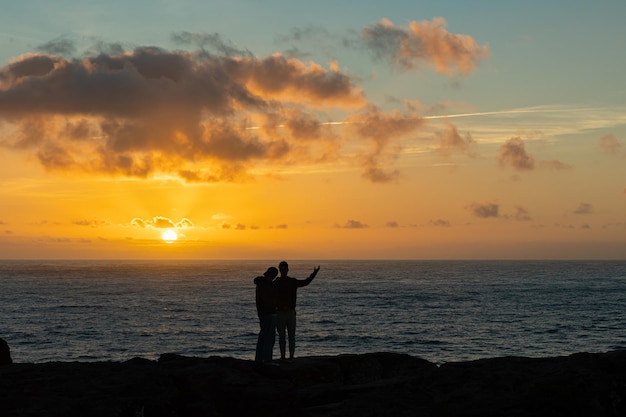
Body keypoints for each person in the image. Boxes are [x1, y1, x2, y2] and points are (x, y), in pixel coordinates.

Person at [275, 261, 320, 360]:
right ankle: (283, 356)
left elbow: (305, 282)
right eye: (282, 269)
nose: (283, 271)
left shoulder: (292, 281)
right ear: (279, 270)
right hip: (280, 312)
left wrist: (314, 274)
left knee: (291, 336)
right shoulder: (276, 283)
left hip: (290, 312)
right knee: (281, 337)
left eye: (285, 269)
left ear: (287, 270)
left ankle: (291, 356)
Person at [254, 266, 279, 364]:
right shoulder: (267, 285)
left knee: (263, 337)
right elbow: (269, 298)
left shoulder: (261, 284)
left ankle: (259, 359)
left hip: (262, 314)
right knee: (269, 338)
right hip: (269, 313)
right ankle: (267, 360)